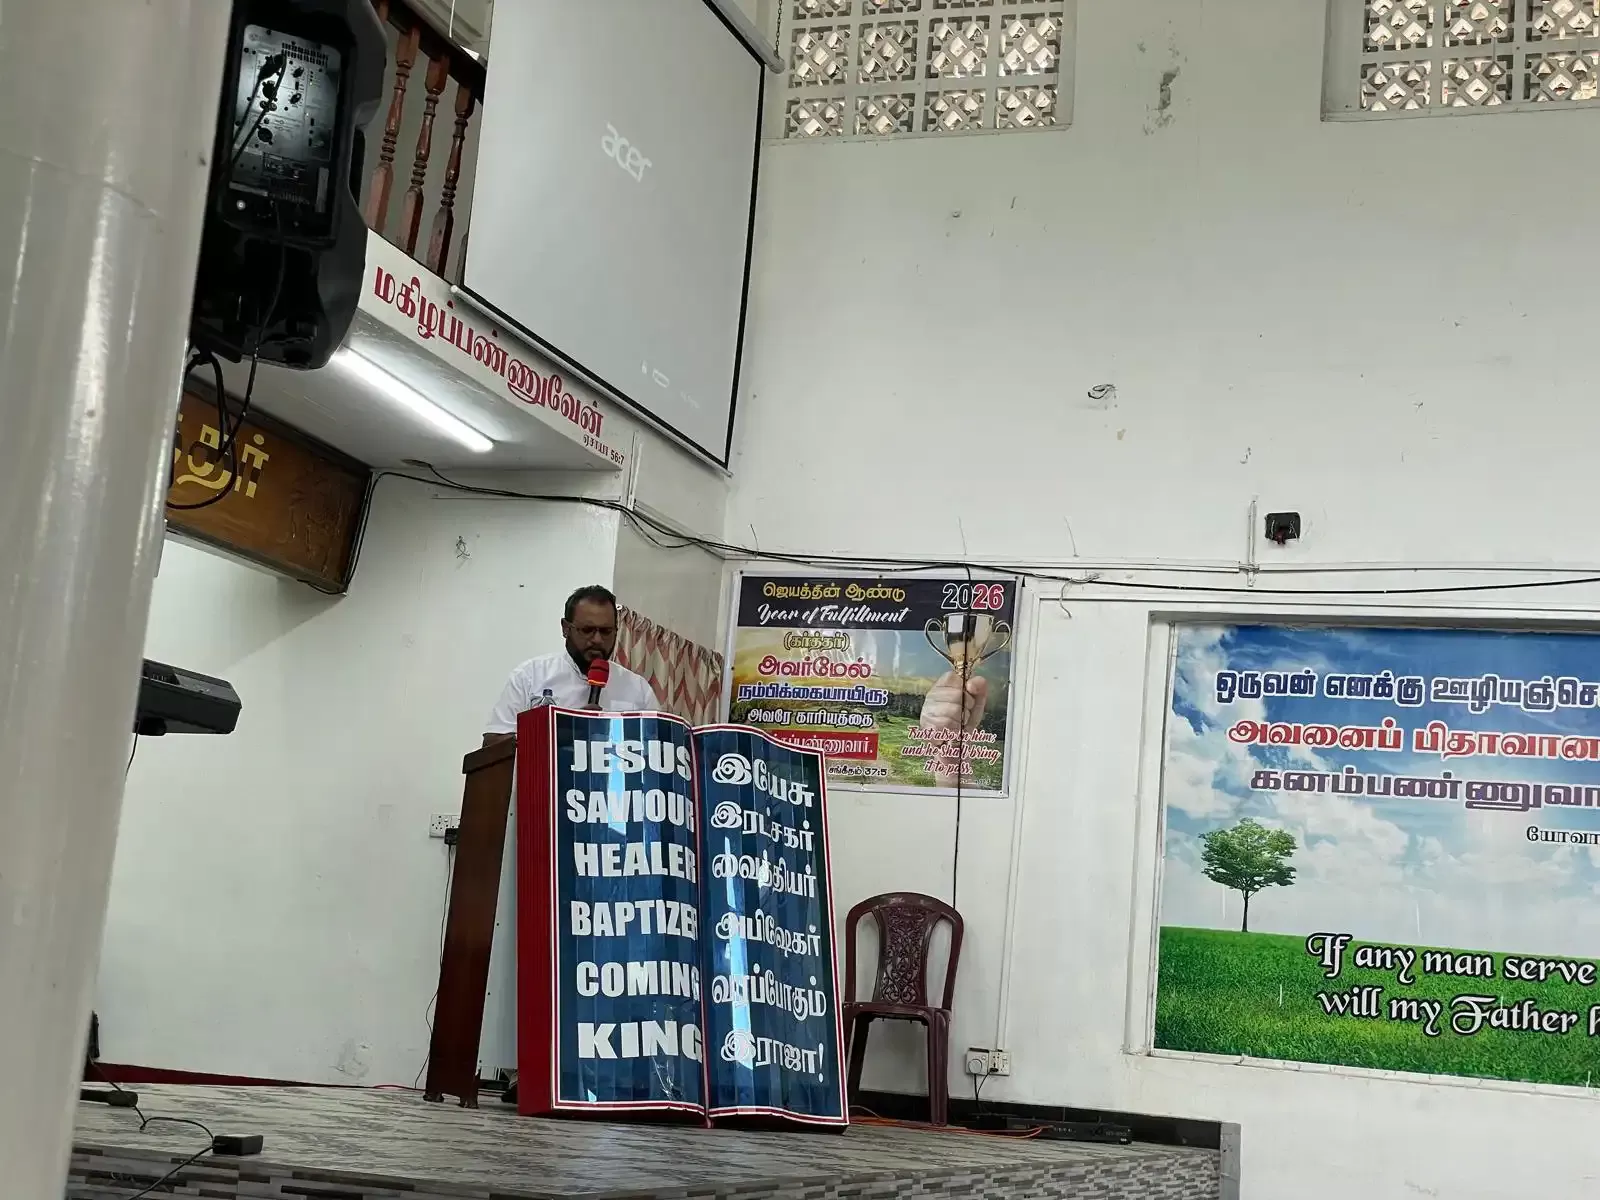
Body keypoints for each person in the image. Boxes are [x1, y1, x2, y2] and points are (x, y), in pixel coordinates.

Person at [482, 585, 660, 746]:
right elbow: (493, 744)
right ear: (565, 628)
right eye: (587, 630)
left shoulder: (638, 689)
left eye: (606, 631)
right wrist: (564, 733)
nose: (597, 640)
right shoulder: (530, 676)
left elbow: (660, 747)